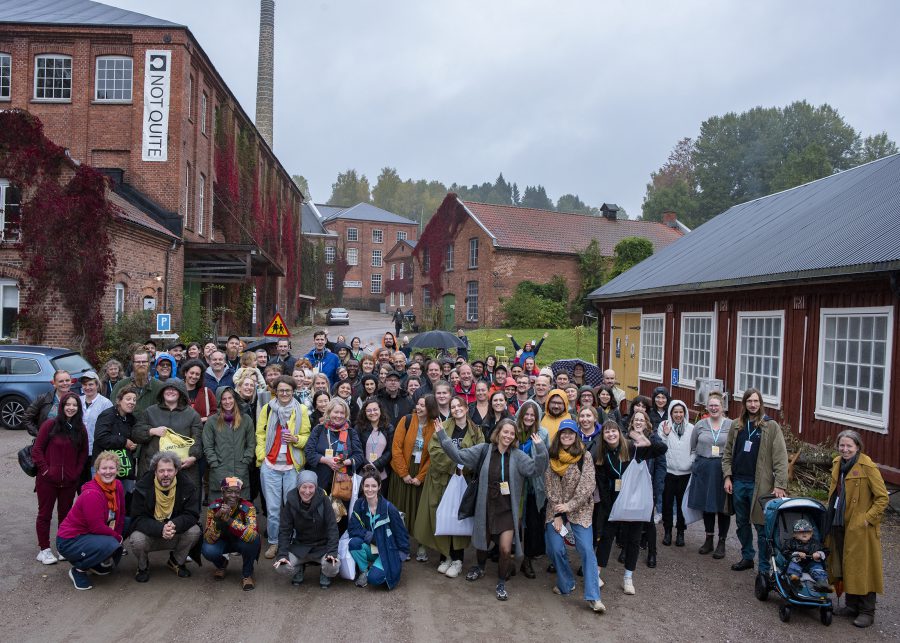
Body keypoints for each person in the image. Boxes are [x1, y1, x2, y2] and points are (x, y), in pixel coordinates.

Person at [435, 417, 548, 601]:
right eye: (505, 432)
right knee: (482, 542)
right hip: (485, 506)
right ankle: (480, 567)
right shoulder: (484, 450)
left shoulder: (518, 456)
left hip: (506, 510)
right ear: (498, 432)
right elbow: (459, 456)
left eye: (512, 433)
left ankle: (501, 582)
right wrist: (442, 436)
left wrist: (541, 450)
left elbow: (536, 470)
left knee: (505, 549)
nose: (508, 436)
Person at [592, 416, 667, 595]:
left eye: (614, 430)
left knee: (633, 539)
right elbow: (602, 486)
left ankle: (628, 577)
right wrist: (609, 507)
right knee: (606, 537)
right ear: (602, 436)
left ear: (620, 433)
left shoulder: (633, 448)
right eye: (607, 431)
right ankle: (596, 573)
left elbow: (661, 449)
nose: (611, 434)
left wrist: (643, 439)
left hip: (635, 501)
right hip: (614, 503)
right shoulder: (601, 457)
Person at [415, 396, 484, 578]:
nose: (456, 409)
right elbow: (435, 450)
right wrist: (454, 466)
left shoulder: (476, 431)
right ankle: (445, 556)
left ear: (466, 408)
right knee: (443, 516)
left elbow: (480, 454)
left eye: (459, 406)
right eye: (452, 407)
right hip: (442, 480)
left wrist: (463, 467)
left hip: (463, 481)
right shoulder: (443, 427)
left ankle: (458, 559)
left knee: (458, 518)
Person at [825, 430, 888, 628]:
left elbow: (882, 498)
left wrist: (867, 519)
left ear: (858, 447)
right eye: (842, 446)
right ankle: (851, 606)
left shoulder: (867, 466)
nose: (845, 450)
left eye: (849, 446)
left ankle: (867, 611)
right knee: (845, 564)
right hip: (839, 522)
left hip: (860, 528)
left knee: (864, 568)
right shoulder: (837, 464)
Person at [722, 388, 788, 575]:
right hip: (738, 483)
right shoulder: (737, 426)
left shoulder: (770, 426)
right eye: (749, 401)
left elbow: (781, 457)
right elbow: (727, 454)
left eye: (756, 401)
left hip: (761, 485)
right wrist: (727, 476)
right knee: (742, 523)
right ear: (744, 404)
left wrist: (780, 485)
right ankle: (747, 557)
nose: (753, 404)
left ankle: (764, 567)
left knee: (761, 526)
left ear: (761, 404)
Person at [544, 420, 604, 613]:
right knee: (554, 547)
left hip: (580, 508)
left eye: (571, 433)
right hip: (556, 509)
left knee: (586, 549)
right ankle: (566, 582)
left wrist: (569, 506)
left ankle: (594, 597)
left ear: (576, 435)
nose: (567, 436)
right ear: (559, 436)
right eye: (564, 433)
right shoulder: (552, 457)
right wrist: (560, 512)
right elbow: (550, 487)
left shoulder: (584, 456)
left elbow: (587, 485)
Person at [256, 375, 310, 559]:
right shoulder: (268, 408)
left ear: (293, 391)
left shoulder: (301, 409)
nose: (284, 393)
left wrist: (296, 439)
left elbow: (307, 436)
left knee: (291, 507)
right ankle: (274, 542)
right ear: (275, 392)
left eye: (288, 390)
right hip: (270, 465)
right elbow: (260, 433)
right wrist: (262, 456)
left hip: (291, 467)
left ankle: (291, 542)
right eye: (281, 390)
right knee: (272, 509)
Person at [56, 450, 126, 590]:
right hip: (69, 540)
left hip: (89, 534)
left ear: (117, 470)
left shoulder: (117, 485)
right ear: (97, 471)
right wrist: (117, 538)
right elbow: (97, 527)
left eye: (111, 468)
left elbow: (121, 513)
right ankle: (79, 569)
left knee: (127, 524)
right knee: (110, 543)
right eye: (103, 468)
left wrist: (119, 534)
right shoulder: (92, 494)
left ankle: (94, 562)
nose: (108, 472)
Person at [32, 393, 89, 565]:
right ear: (62, 406)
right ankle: (44, 549)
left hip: (69, 482)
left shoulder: (80, 429)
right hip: (47, 481)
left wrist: (76, 473)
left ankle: (63, 547)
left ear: (78, 408)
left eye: (75, 405)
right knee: (45, 515)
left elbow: (83, 454)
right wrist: (45, 471)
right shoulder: (50, 425)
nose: (71, 408)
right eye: (68, 404)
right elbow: (37, 450)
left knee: (65, 515)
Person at [129, 451, 201, 582]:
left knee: (195, 530)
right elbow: (137, 519)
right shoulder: (142, 487)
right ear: (155, 472)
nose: (166, 474)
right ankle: (143, 566)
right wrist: (160, 528)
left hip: (174, 532)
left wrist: (175, 524)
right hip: (151, 534)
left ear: (176, 471)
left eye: (170, 470)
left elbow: (192, 514)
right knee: (136, 539)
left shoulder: (187, 486)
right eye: (161, 471)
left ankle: (176, 561)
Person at [388, 395, 440, 561]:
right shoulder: (406, 420)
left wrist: (421, 476)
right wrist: (404, 473)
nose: (419, 407)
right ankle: (402, 546)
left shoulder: (435, 425)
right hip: (403, 470)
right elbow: (396, 448)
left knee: (420, 511)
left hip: (421, 473)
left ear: (431, 408)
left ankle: (421, 546)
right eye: (418, 404)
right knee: (400, 510)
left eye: (423, 405)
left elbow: (434, 454)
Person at [274, 470, 341, 589]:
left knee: (333, 566)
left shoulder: (324, 500)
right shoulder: (291, 502)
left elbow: (332, 528)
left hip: (322, 547)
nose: (307, 491)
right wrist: (282, 554)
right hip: (300, 547)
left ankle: (325, 572)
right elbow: (285, 530)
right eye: (304, 487)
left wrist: (332, 552)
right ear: (298, 486)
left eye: (311, 487)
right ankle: (298, 568)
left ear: (316, 487)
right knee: (281, 567)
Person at [132, 380, 203, 492]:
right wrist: (151, 431)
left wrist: (193, 457)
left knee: (181, 505)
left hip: (182, 468)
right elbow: (136, 433)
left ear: (181, 392)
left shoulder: (192, 415)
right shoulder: (150, 411)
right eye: (167, 388)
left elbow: (197, 438)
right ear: (162, 392)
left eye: (174, 389)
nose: (170, 391)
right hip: (152, 467)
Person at [305, 398, 364, 528]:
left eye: (342, 413)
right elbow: (309, 452)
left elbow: (359, 456)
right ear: (329, 412)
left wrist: (345, 462)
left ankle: (338, 544)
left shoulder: (350, 432)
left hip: (343, 483)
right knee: (320, 514)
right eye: (335, 412)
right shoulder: (319, 430)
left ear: (346, 415)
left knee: (341, 517)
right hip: (322, 480)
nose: (338, 416)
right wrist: (326, 460)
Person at [348, 465, 410, 589]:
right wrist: (370, 536)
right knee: (353, 543)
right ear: (362, 487)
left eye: (373, 486)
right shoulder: (359, 504)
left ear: (379, 486)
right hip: (372, 547)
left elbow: (401, 534)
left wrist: (400, 555)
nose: (369, 490)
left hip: (387, 549)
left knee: (374, 578)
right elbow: (353, 529)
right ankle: (364, 571)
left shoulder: (389, 508)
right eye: (366, 486)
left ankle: (381, 569)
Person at [688, 391, 732, 558]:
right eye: (711, 405)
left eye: (717, 405)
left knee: (722, 507)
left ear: (722, 407)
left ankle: (722, 542)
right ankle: (708, 539)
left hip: (722, 469)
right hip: (704, 468)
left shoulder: (731, 425)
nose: (714, 408)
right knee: (707, 506)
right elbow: (693, 447)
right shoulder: (700, 425)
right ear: (707, 407)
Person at [202, 477, 261, 590]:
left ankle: (247, 574)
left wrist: (229, 520)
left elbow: (252, 535)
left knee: (254, 540)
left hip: (241, 541)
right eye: (229, 491)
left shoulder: (248, 507)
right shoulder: (213, 507)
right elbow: (208, 539)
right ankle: (221, 565)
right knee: (208, 549)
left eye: (237, 492)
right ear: (222, 492)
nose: (233, 495)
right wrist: (218, 519)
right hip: (222, 541)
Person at [515, 399, 549, 578]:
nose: (528, 418)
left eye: (532, 415)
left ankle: (527, 559)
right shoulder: (513, 430)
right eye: (526, 414)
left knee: (532, 523)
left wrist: (539, 446)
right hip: (515, 484)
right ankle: (510, 555)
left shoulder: (542, 433)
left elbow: (545, 460)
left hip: (534, 485)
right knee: (514, 521)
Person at [92, 387, 139, 516]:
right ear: (119, 401)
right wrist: (124, 442)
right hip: (105, 467)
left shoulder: (131, 419)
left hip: (124, 468)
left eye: (134, 400)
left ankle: (118, 531)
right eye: (128, 399)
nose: (132, 402)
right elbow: (101, 437)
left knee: (122, 503)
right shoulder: (108, 415)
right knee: (104, 504)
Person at [203, 387, 256, 499]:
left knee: (241, 509)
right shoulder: (212, 421)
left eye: (230, 398)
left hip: (240, 468)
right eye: (224, 399)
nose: (227, 402)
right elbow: (208, 446)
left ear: (235, 399)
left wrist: (246, 460)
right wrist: (214, 463)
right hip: (219, 469)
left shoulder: (245, 419)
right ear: (219, 401)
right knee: (218, 509)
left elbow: (251, 443)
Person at [658, 399, 694, 548]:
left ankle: (680, 532)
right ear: (671, 413)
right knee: (667, 504)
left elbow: (695, 449)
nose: (678, 415)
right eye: (675, 412)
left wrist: (690, 462)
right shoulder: (664, 426)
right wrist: (666, 435)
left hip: (685, 473)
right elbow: (660, 447)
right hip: (669, 472)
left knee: (681, 505)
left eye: (681, 412)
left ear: (684, 413)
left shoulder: (692, 428)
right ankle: (667, 532)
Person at [79, 370, 113, 485]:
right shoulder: (77, 401)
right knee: (81, 484)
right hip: (79, 451)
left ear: (97, 385)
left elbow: (110, 428)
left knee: (96, 484)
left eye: (91, 384)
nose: (87, 387)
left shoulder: (105, 403)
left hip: (97, 452)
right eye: (85, 384)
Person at [355, 398, 394, 492]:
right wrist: (367, 465)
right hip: (362, 472)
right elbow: (357, 449)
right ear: (364, 412)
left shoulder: (389, 428)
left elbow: (390, 450)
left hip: (382, 473)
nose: (372, 413)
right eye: (369, 410)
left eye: (375, 409)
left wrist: (375, 465)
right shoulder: (358, 428)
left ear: (380, 410)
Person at [781, 518, 831, 592]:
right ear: (795, 534)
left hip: (811, 563)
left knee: (818, 567)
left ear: (811, 533)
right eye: (801, 532)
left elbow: (826, 551)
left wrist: (819, 554)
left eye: (807, 532)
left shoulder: (815, 543)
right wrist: (796, 554)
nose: (804, 534)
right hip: (797, 562)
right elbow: (785, 551)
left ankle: (821, 582)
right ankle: (795, 579)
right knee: (792, 565)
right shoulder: (791, 542)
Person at [24, 369, 73, 436]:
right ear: (54, 383)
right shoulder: (43, 398)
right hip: (47, 442)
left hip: (68, 441)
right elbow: (27, 417)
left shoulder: (76, 399)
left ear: (71, 381)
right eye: (61, 381)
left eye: (67, 380)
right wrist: (39, 434)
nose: (65, 383)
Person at [648, 386, 671, 521]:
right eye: (658, 397)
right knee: (655, 480)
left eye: (663, 397)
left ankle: (665, 509)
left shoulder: (670, 412)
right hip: (653, 450)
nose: (660, 400)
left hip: (669, 449)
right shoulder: (650, 413)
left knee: (665, 481)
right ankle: (656, 509)